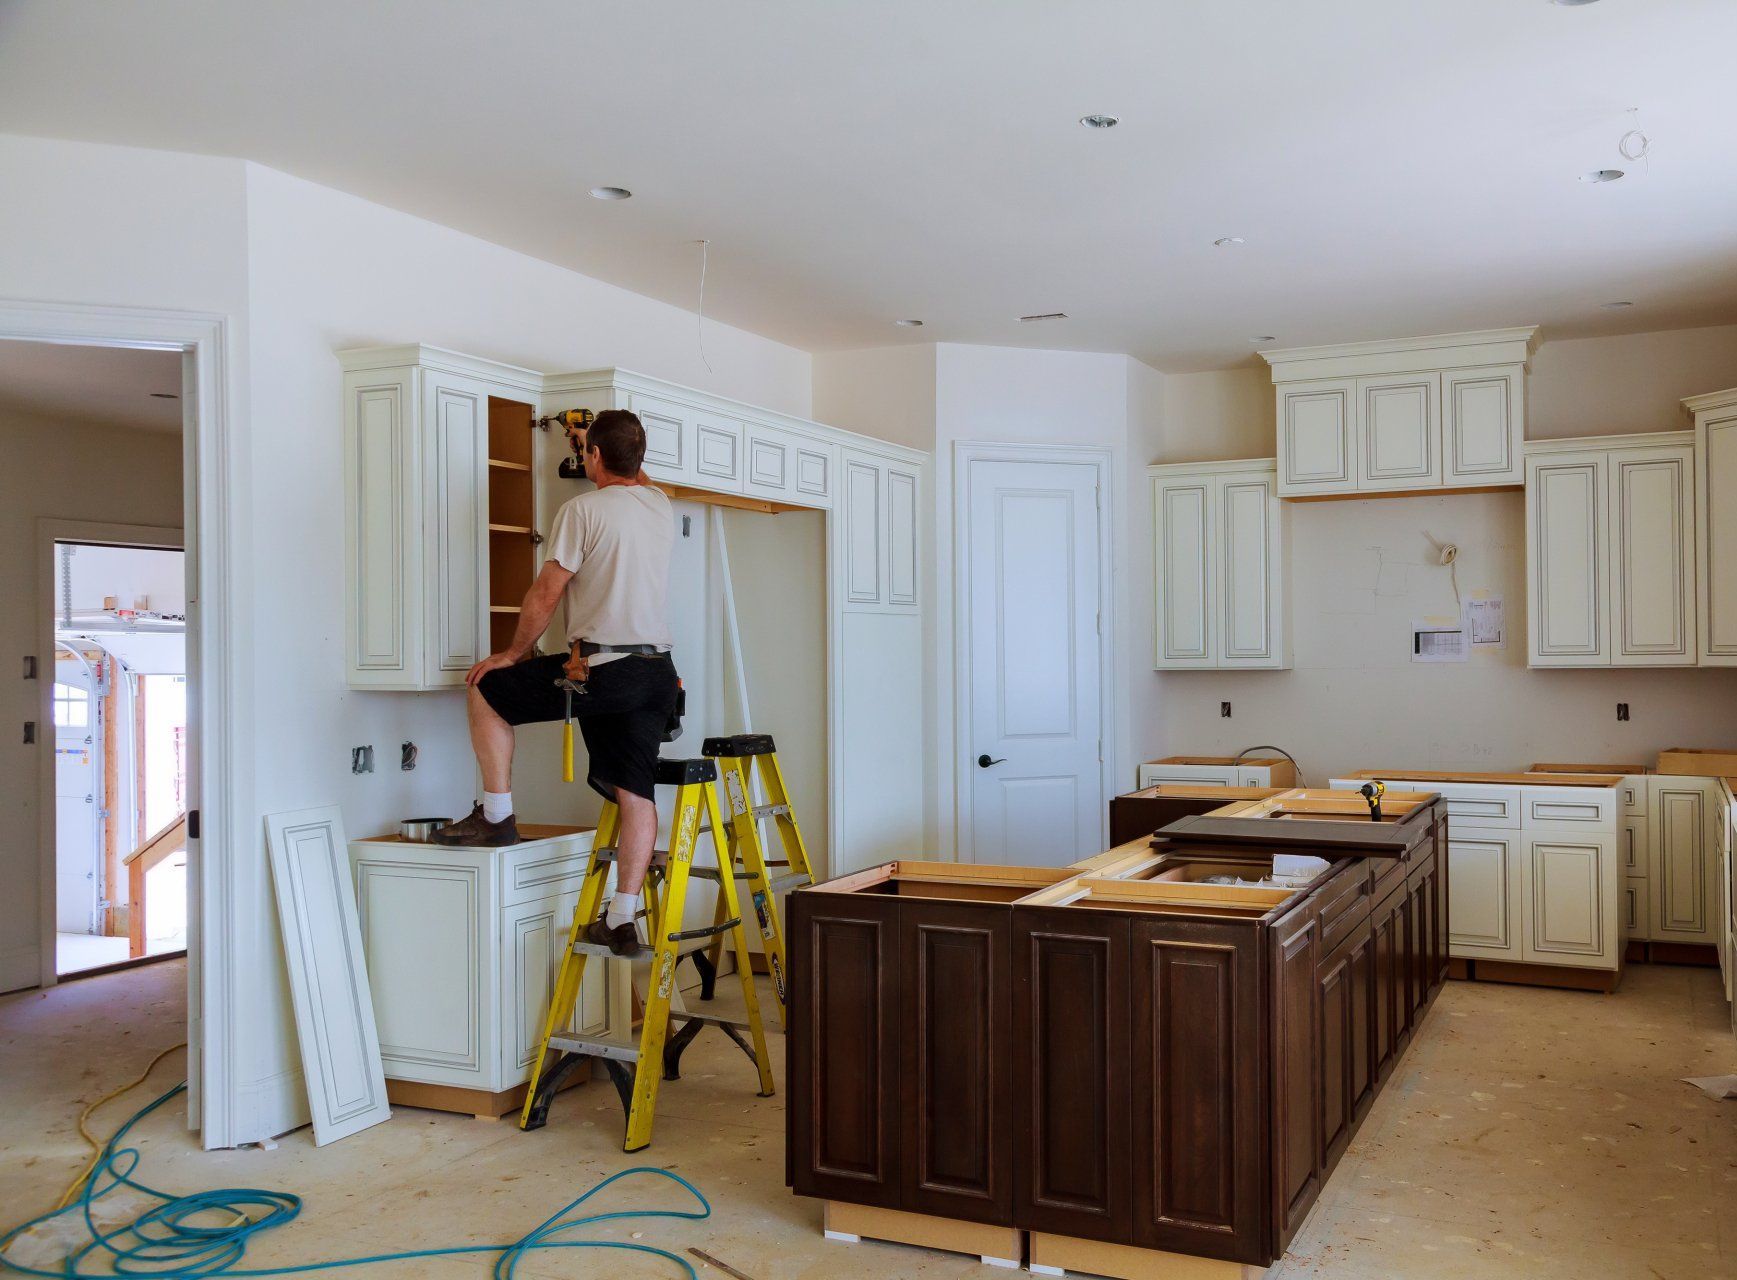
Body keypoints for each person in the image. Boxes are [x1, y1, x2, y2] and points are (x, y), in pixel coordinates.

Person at [432, 409, 677, 958]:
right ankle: (621, 919)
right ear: (640, 458)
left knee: (486, 690)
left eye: (587, 449)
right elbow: (632, 472)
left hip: (603, 669)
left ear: (592, 456)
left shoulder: (581, 510)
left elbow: (547, 592)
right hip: (655, 673)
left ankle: (496, 817)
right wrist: (597, 442)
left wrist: (512, 655)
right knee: (637, 793)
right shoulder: (659, 504)